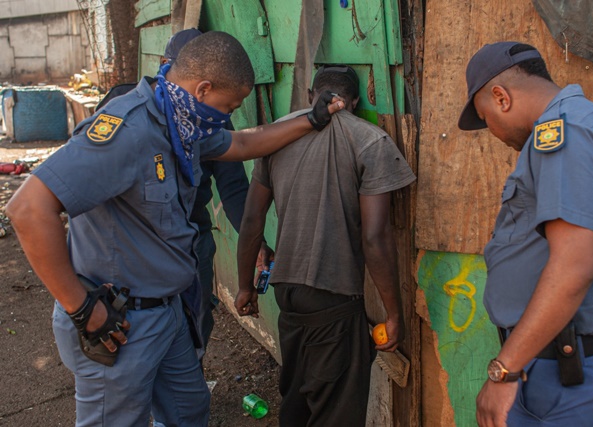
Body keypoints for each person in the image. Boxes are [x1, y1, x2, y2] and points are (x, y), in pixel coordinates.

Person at [6, 31, 343, 426]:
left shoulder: (182, 122)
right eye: (228, 105)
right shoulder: (127, 131)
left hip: (169, 312)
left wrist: (310, 120)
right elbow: (27, 209)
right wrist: (81, 308)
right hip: (121, 322)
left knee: (189, 411)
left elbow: (240, 144)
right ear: (203, 89)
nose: (227, 115)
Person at [458, 41, 593, 427]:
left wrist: (504, 370)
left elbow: (574, 267)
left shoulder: (562, 132)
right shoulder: (579, 122)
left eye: (486, 118)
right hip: (552, 362)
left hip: (562, 369)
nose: (493, 132)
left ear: (501, 97)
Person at [234, 65, 416, 426]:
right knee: (336, 411)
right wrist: (394, 314)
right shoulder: (369, 140)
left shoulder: (276, 135)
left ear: (310, 96)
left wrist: (244, 287)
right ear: (355, 101)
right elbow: (374, 238)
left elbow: (252, 219)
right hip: (333, 297)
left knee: (296, 400)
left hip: (287, 293)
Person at [97, 28, 259, 359]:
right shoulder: (124, 108)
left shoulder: (211, 118)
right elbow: (64, 193)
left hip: (191, 240)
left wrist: (255, 244)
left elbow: (234, 184)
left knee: (193, 326)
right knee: (135, 331)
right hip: (133, 247)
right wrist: (78, 300)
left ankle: (187, 380)